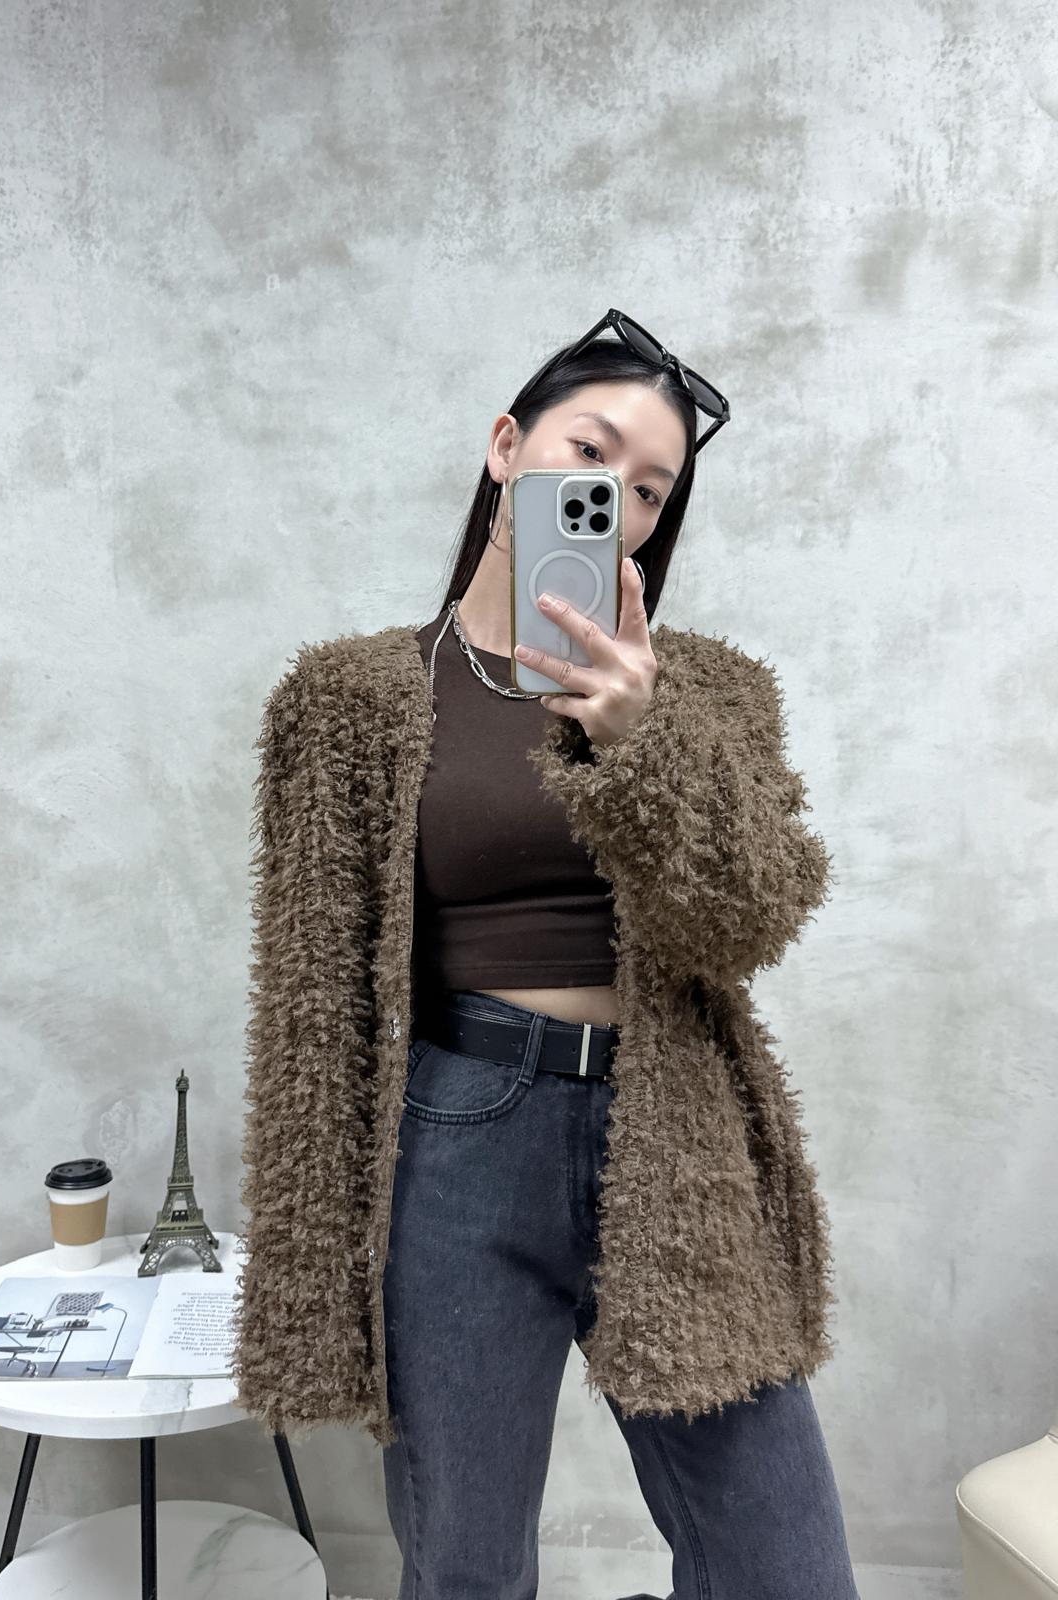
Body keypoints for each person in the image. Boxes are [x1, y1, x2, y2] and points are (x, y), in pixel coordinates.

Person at [231, 310, 860, 1600]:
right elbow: (311, 1011)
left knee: (785, 1568)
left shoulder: (706, 690)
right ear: (508, 447)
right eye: (592, 450)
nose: (617, 497)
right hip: (460, 1134)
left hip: (673, 1134)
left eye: (652, 488)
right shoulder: (353, 697)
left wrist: (642, 740)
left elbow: (754, 915)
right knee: (466, 1566)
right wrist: (308, 1275)